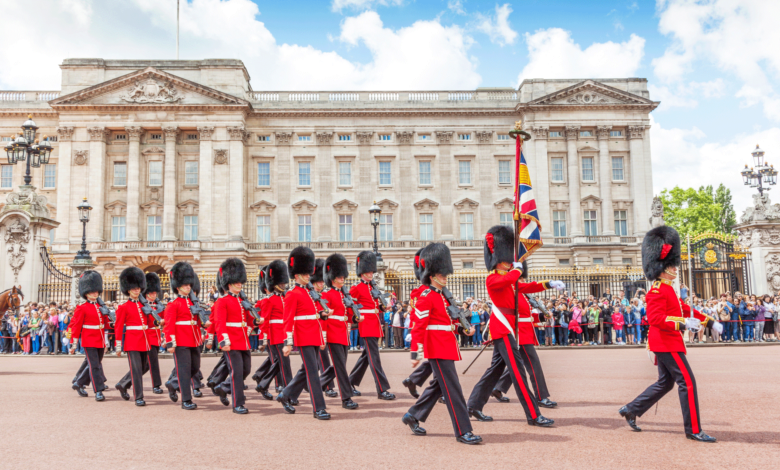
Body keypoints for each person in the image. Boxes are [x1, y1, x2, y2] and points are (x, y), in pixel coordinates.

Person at [619, 226, 717, 443]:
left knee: (666, 383)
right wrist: (683, 324)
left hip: (668, 342)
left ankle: (632, 409)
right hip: (665, 342)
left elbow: (684, 308)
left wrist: (709, 321)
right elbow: (655, 319)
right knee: (687, 382)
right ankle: (693, 429)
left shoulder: (668, 288)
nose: (675, 268)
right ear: (662, 268)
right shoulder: (656, 291)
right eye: (671, 265)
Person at [466, 225, 561, 425]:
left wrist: (548, 284)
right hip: (504, 329)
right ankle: (533, 415)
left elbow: (526, 286)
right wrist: (517, 269)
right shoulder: (493, 278)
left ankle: (473, 405)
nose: (510, 262)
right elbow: (511, 278)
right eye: (507, 258)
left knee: (495, 370)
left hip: (511, 329)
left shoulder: (509, 278)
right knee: (518, 372)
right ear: (499, 258)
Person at [402, 243, 482, 445]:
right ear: (431, 275)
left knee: (439, 386)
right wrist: (416, 354)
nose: (445, 276)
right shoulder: (426, 296)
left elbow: (446, 324)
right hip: (437, 348)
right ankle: (463, 431)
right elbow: (419, 327)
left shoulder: (443, 297)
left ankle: (413, 415)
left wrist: (462, 330)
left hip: (447, 345)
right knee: (453, 390)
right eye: (441, 273)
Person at [490, 262, 560, 408]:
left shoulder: (520, 293)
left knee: (514, 364)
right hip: (518, 334)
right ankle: (541, 397)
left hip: (523, 332)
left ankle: (497, 387)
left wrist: (542, 315)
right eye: (520, 278)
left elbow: (526, 315)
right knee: (533, 364)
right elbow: (516, 316)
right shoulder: (510, 289)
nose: (522, 280)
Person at [275, 246, 330, 420]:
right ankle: (318, 408)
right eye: (305, 273)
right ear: (297, 275)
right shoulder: (292, 294)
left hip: (314, 335)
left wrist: (322, 314)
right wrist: (288, 342)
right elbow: (288, 319)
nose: (309, 275)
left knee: (307, 370)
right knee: (313, 373)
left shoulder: (309, 292)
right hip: (304, 337)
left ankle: (285, 395)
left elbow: (312, 314)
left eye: (308, 272)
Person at [348, 250, 395, 400]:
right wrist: (355, 318)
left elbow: (375, 306)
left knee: (366, 357)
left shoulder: (372, 287)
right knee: (375, 358)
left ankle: (349, 383)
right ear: (362, 272)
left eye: (371, 271)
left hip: (374, 323)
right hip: (366, 324)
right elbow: (351, 306)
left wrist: (383, 307)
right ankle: (382, 389)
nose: (371, 273)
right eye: (368, 271)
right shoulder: (356, 287)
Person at [213, 258, 258, 414]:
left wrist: (256, 321)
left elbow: (249, 320)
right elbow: (219, 323)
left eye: (240, 282)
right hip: (231, 342)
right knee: (237, 373)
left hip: (243, 340)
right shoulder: (222, 301)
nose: (239, 284)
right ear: (229, 283)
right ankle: (237, 404)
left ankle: (223, 387)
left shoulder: (242, 301)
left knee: (246, 370)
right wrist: (223, 341)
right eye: (236, 282)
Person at [319, 253, 360, 410]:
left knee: (339, 365)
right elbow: (324, 317)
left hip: (343, 333)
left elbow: (347, 315)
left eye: (343, 276)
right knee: (341, 367)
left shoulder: (344, 294)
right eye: (339, 276)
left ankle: (316, 384)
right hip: (333, 333)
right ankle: (346, 398)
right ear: (332, 278)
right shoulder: (326, 294)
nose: (342, 279)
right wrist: (324, 335)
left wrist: (355, 318)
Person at [163, 261, 204, 410]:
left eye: (189, 284)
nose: (188, 287)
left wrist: (204, 326)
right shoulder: (173, 304)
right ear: (178, 286)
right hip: (181, 341)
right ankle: (186, 400)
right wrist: (170, 342)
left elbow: (197, 321)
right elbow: (169, 325)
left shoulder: (194, 303)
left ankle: (173, 383)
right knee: (184, 370)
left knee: (195, 367)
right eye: (185, 285)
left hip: (194, 339)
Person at [253, 260, 293, 398]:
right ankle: (286, 389)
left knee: (277, 362)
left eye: (283, 283)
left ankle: (262, 381)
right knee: (283, 363)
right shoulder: (268, 300)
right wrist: (262, 339)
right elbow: (264, 321)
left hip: (284, 334)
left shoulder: (286, 297)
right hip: (274, 335)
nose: (283, 285)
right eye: (281, 283)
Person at [69, 270, 110, 401]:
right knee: (95, 366)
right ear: (86, 293)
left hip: (100, 339)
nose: (95, 293)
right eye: (92, 291)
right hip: (89, 339)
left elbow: (106, 324)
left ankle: (79, 383)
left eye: (96, 291)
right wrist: (74, 344)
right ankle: (99, 390)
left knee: (96, 364)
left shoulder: (101, 306)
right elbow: (76, 327)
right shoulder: (82, 308)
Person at [113, 267, 151, 406]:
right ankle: (138, 397)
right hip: (132, 341)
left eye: (138, 288)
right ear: (128, 290)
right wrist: (118, 345)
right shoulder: (123, 307)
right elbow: (118, 326)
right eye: (134, 288)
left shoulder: (144, 305)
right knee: (136, 370)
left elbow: (150, 323)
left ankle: (123, 384)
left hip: (144, 340)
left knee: (145, 367)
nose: (136, 290)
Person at [401, 247, 434, 399]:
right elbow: (418, 315)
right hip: (428, 329)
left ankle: (413, 380)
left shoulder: (435, 290)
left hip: (438, 329)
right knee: (440, 360)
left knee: (439, 361)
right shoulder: (421, 291)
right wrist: (416, 351)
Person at [310, 259, 337, 398]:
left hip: (325, 331)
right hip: (314, 331)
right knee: (318, 361)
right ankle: (327, 386)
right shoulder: (310, 296)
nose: (321, 284)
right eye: (319, 282)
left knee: (321, 361)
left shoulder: (324, 295)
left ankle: (320, 385)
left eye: (322, 281)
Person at [142, 273, 164, 394]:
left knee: (146, 365)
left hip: (156, 337)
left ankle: (125, 382)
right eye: (152, 292)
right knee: (152, 363)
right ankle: (156, 385)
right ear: (146, 293)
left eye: (155, 292)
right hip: (146, 337)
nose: (154, 294)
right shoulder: (142, 306)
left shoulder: (158, 306)